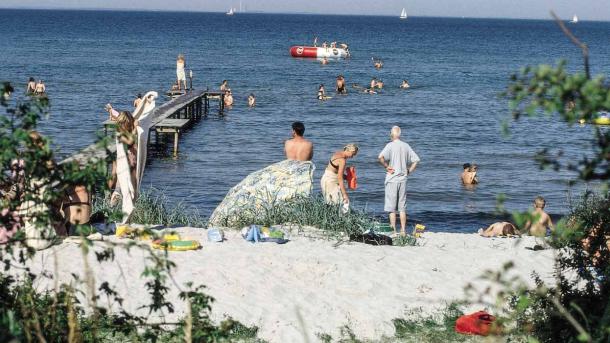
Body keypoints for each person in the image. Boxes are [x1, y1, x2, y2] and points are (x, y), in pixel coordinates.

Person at [209, 122, 315, 226]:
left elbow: (286, 154)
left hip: (286, 168)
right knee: (298, 193)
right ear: (303, 131)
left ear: (293, 131)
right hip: (301, 169)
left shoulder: (287, 142)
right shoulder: (309, 144)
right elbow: (309, 158)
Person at [378, 126, 420, 235]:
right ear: (400, 134)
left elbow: (380, 157)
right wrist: (409, 171)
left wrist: (386, 166)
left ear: (391, 134)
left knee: (392, 208)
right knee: (402, 208)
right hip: (403, 179)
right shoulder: (406, 146)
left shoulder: (390, 145)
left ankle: (393, 230)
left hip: (392, 179)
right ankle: (403, 230)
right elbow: (416, 160)